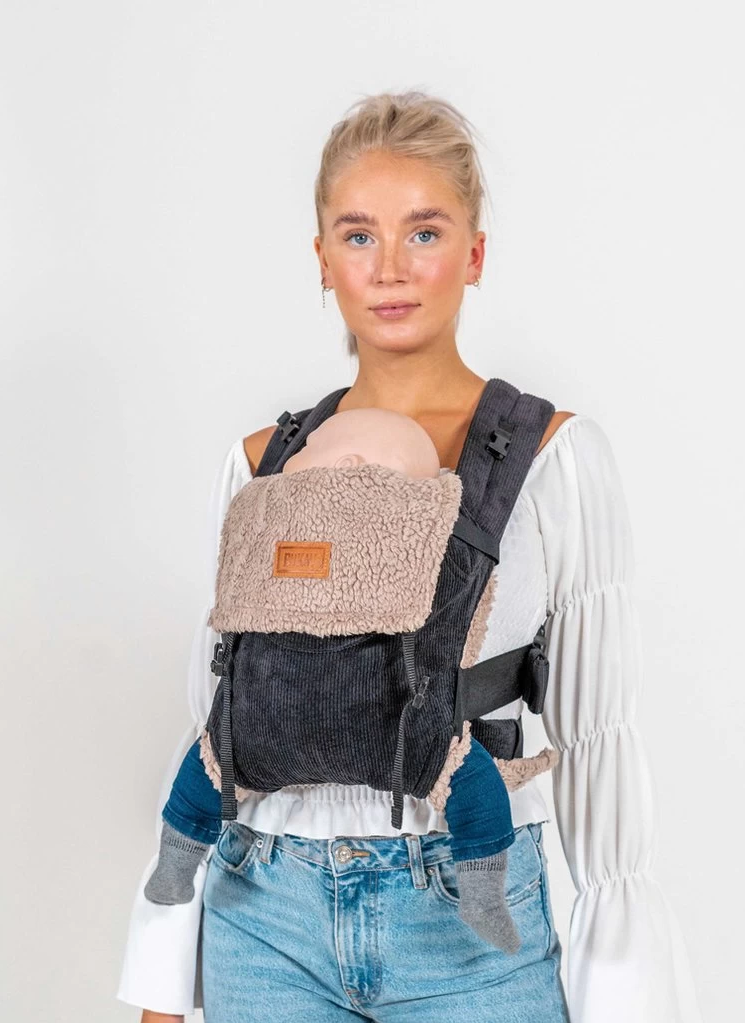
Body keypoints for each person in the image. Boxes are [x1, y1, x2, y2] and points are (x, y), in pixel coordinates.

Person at [120, 90, 705, 1023]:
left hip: (469, 914)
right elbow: (217, 723)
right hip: (262, 916)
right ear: (322, 259)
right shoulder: (261, 462)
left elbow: (598, 739)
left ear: (474, 253)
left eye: (424, 231)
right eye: (359, 235)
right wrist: (159, 990)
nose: (390, 267)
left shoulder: (552, 458)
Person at [143, 405, 536, 955]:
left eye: (308, 447)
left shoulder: (267, 520)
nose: (294, 454)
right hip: (401, 744)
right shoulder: (429, 537)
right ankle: (483, 892)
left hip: (263, 741)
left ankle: (175, 862)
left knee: (209, 764)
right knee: (473, 782)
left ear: (349, 467)